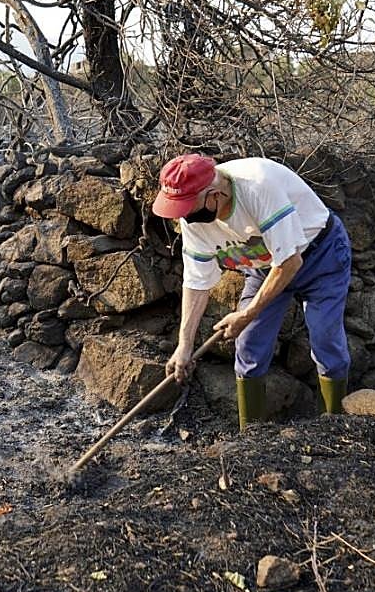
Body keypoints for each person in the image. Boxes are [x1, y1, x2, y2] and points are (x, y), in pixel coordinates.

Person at [151, 153, 352, 428]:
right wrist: (184, 345)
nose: (183, 216)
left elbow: (290, 262)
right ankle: (252, 437)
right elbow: (197, 282)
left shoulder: (258, 186)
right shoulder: (193, 221)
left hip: (320, 254)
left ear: (214, 195)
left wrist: (246, 314)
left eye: (187, 206)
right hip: (265, 265)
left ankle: (333, 426)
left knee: (325, 338)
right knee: (248, 342)